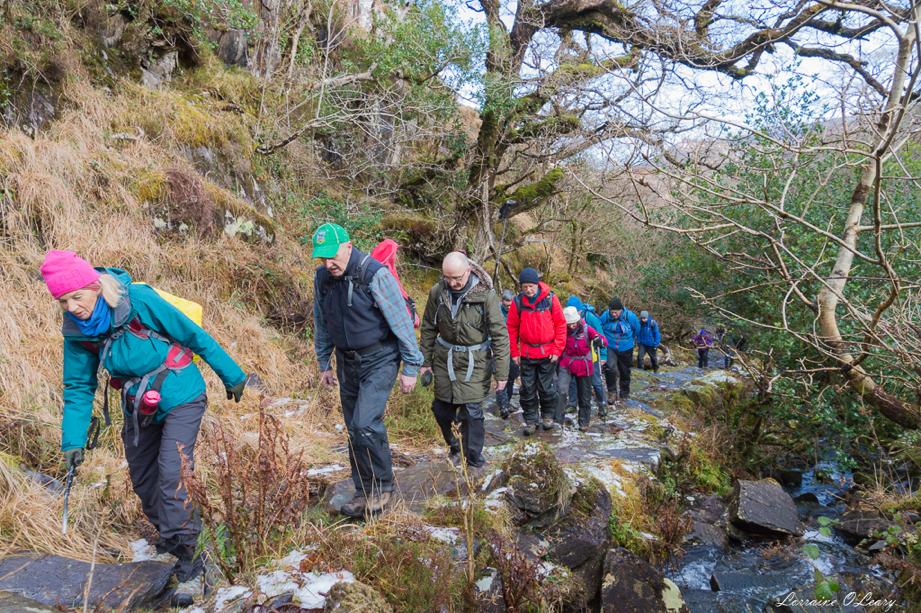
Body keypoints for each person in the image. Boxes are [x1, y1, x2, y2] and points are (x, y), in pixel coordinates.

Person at [41, 250, 248, 606]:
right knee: (144, 478)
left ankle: (192, 563)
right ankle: (173, 538)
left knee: (173, 474)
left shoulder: (137, 299)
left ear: (95, 286)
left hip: (182, 392)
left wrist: (232, 374)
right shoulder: (77, 331)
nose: (72, 307)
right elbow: (78, 387)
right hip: (139, 404)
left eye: (77, 296)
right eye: (63, 301)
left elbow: (193, 335)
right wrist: (72, 441)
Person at [312, 223, 424, 518]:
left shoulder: (374, 274)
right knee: (353, 429)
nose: (328, 263)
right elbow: (322, 321)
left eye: (332, 256)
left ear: (348, 246)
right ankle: (363, 491)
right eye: (322, 258)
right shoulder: (323, 278)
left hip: (380, 358)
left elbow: (400, 321)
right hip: (346, 361)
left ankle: (383, 488)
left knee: (365, 423)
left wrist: (411, 365)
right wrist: (324, 361)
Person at [419, 253, 509, 468]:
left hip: (475, 360)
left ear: (468, 271)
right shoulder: (437, 292)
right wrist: (425, 362)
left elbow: (499, 335)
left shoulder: (486, 296)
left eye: (457, 278)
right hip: (444, 359)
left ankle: (474, 458)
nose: (453, 283)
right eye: (448, 278)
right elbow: (429, 328)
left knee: (472, 411)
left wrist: (502, 373)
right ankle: (454, 445)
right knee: (441, 409)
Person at [506, 268, 567, 435]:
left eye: (531, 286)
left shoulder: (550, 299)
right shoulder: (517, 302)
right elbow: (511, 328)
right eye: (525, 287)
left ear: (537, 284)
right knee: (527, 389)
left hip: (548, 353)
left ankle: (548, 416)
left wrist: (557, 349)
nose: (528, 290)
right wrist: (514, 353)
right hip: (526, 354)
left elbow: (561, 325)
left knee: (547, 388)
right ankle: (531, 420)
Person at [558, 306, 607, 432]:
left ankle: (584, 422)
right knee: (561, 391)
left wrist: (598, 340)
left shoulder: (586, 329)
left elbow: (604, 341)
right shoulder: (561, 330)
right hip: (566, 363)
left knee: (584, 395)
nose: (571, 326)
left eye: (573, 323)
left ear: (577, 320)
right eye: (569, 324)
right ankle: (558, 420)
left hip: (584, 365)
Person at [565, 295, 607, 411]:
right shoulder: (567, 322)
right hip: (573, 358)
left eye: (576, 312)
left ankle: (602, 403)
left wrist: (603, 355)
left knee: (596, 381)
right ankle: (572, 403)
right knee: (573, 381)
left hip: (590, 357)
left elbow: (601, 337)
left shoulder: (590, 318)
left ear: (580, 310)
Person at [599, 297, 641, 404]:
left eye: (616, 312)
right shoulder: (605, 316)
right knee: (610, 368)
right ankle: (612, 393)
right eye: (612, 312)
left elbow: (637, 329)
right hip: (610, 346)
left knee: (625, 370)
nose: (614, 314)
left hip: (626, 347)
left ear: (621, 310)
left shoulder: (630, 316)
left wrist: (632, 341)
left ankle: (624, 393)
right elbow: (600, 327)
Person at [498, 288, 518, 413]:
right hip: (499, 349)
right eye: (506, 303)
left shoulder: (517, 311)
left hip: (513, 350)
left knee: (511, 377)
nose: (508, 306)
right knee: (501, 377)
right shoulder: (496, 312)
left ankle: (507, 402)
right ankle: (502, 406)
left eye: (510, 304)